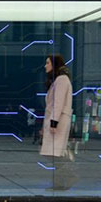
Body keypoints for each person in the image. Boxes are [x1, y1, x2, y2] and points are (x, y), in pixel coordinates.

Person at [41, 54, 75, 189]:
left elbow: (58, 102)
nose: (45, 66)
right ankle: (60, 182)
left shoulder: (61, 80)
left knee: (55, 153)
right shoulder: (59, 80)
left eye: (47, 63)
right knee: (54, 153)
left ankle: (66, 177)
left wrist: (54, 122)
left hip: (58, 122)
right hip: (56, 120)